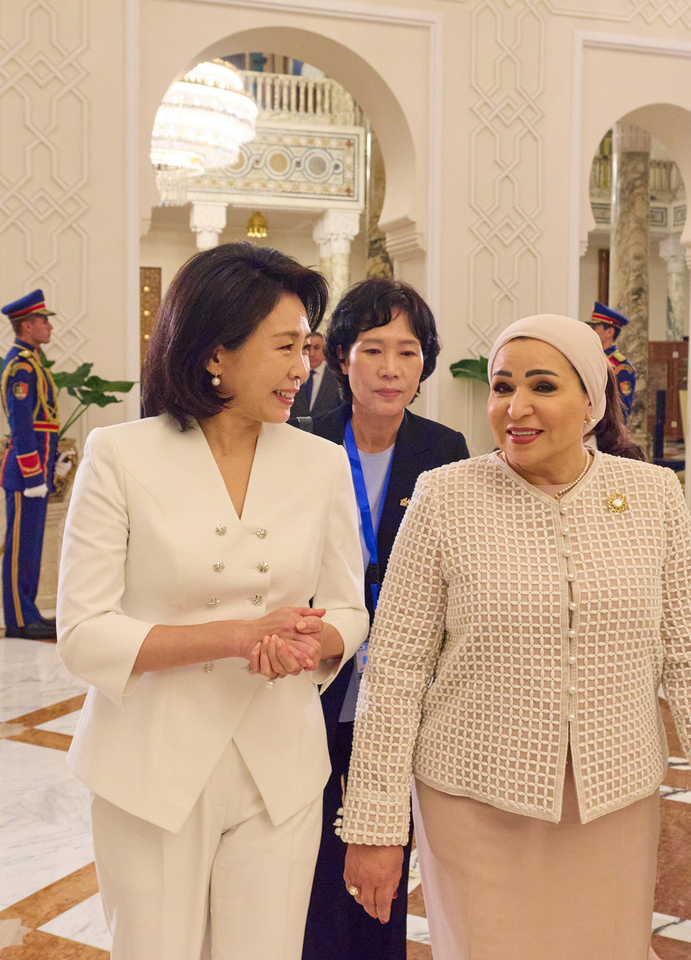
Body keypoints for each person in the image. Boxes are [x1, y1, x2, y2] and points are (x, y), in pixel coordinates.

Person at [342, 314, 691, 959]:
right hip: (473, 797)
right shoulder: (445, 496)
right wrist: (377, 826)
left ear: (590, 400)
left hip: (613, 804)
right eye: (502, 387)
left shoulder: (652, 495)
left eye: (542, 386)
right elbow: (396, 668)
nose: (515, 408)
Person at [56, 243, 369, 960]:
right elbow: (83, 635)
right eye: (285, 347)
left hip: (280, 765)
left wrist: (311, 641)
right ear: (214, 354)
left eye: (307, 347)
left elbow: (350, 608)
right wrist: (235, 636)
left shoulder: (318, 461)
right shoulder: (121, 455)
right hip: (152, 766)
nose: (304, 368)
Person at [303, 277, 469, 960]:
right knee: (311, 830)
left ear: (424, 364)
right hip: (314, 669)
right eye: (373, 350)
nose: (390, 369)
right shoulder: (299, 443)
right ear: (342, 356)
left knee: (383, 832)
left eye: (407, 352)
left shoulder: (444, 450)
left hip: (402, 680)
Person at [0, 291, 61, 640]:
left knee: (31, 547)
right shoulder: (22, 366)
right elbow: (22, 426)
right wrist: (34, 473)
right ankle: (19, 620)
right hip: (26, 474)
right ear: (27, 325)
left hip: (36, 472)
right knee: (21, 548)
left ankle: (30, 612)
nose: (49, 326)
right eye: (44, 320)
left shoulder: (33, 360)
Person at [586, 302, 635, 417]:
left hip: (606, 430)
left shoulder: (621, 366)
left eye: (595, 327)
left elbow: (622, 408)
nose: (591, 331)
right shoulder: (589, 358)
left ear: (610, 332)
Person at [288, 330, 342, 420]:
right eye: (308, 348)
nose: (311, 353)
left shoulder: (337, 376)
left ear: (325, 350)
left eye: (316, 348)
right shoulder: (292, 373)